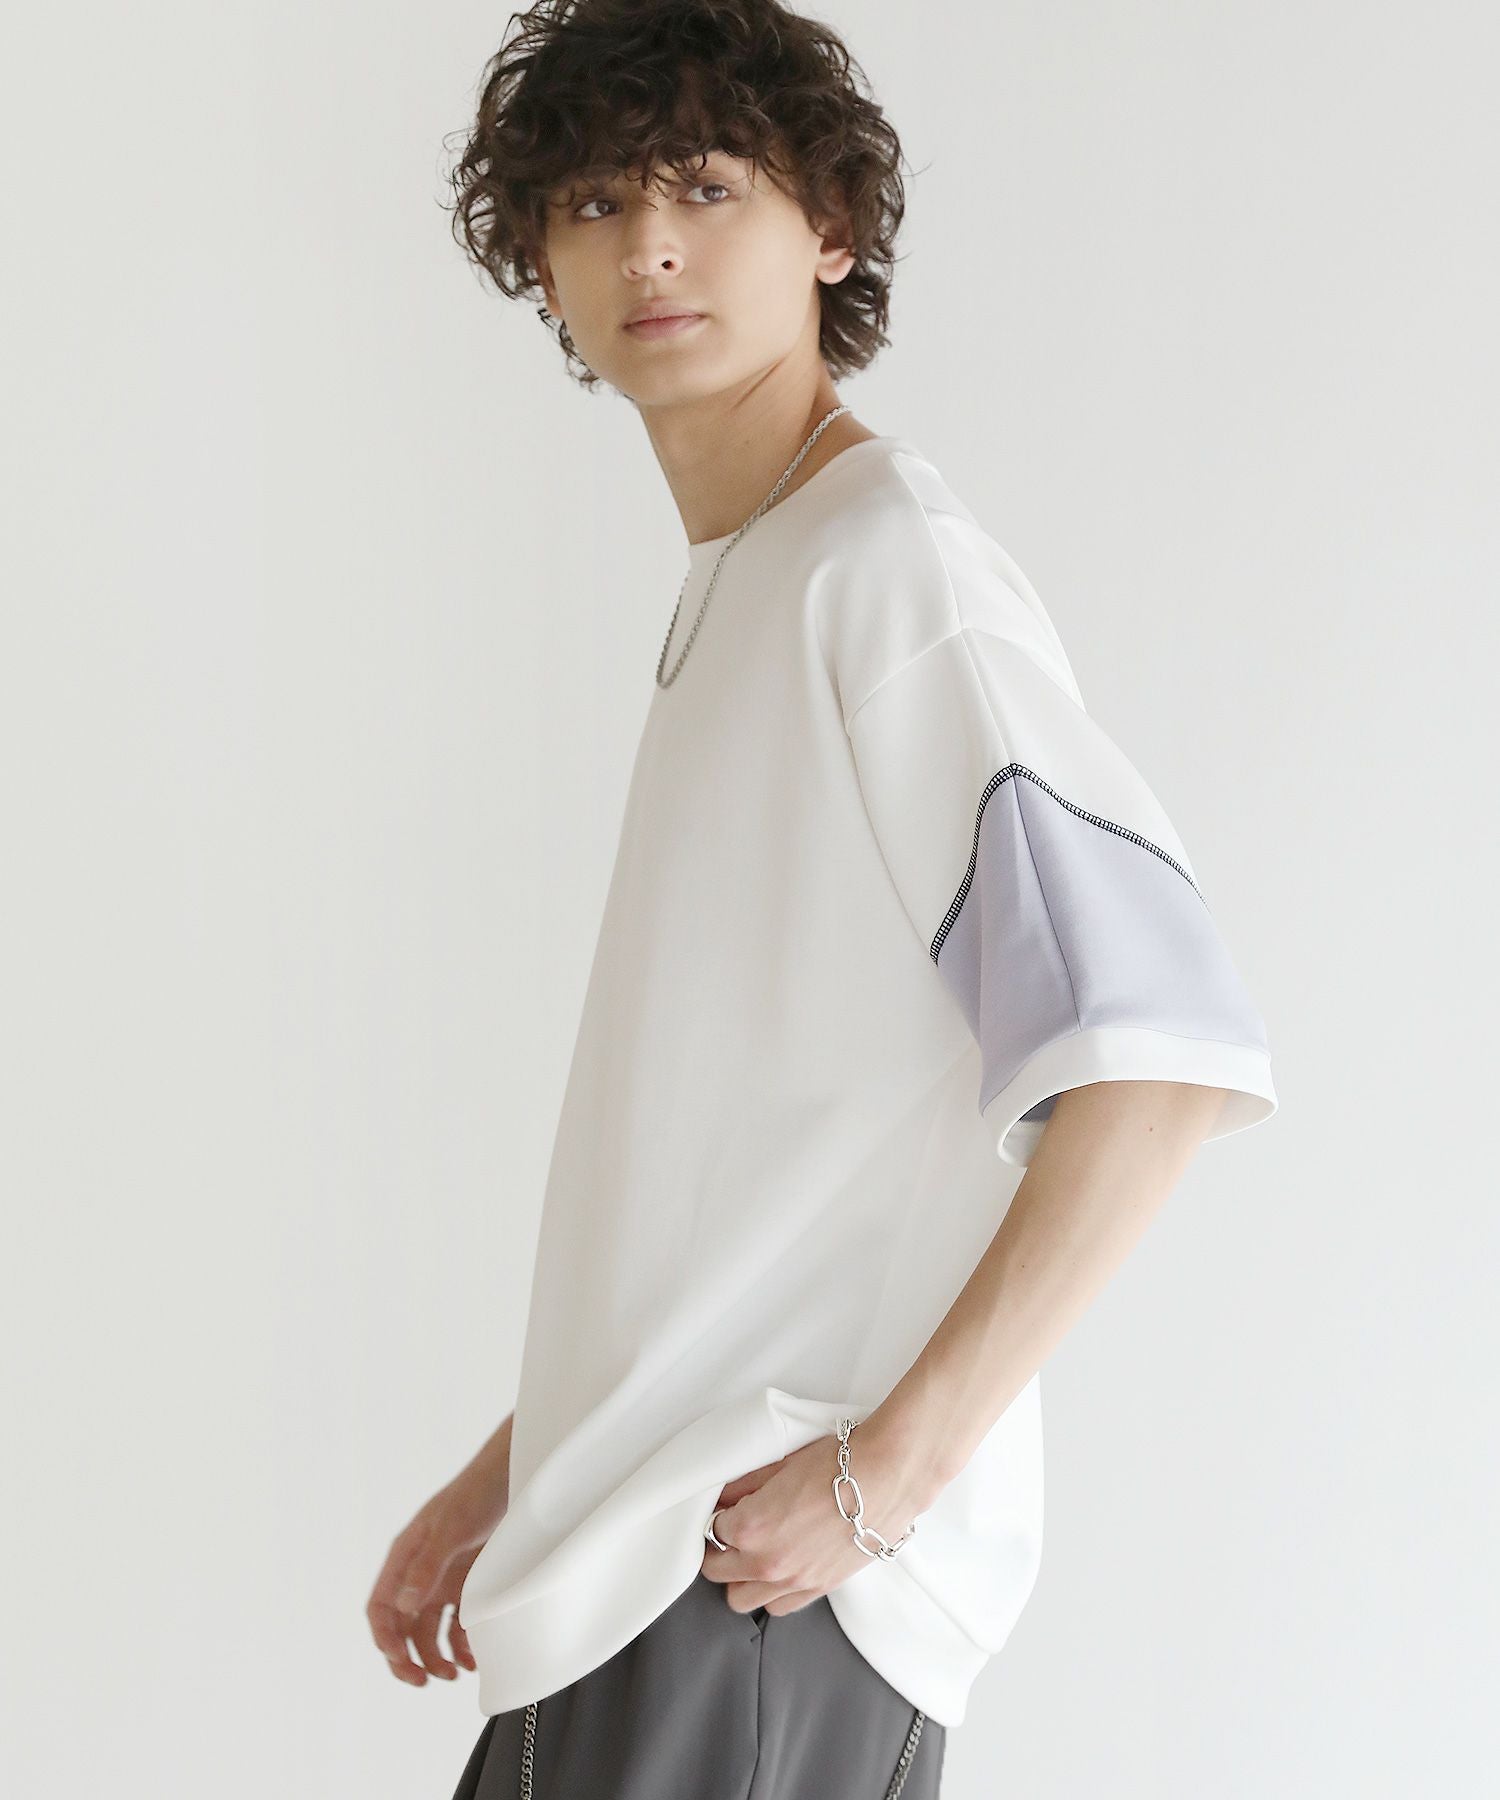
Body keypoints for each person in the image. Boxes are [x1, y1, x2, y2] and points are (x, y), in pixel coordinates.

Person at [366, 3, 1279, 1795]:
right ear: (540, 260)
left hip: (750, 1597)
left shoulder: (888, 573)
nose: (648, 246)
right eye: (594, 202)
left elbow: (1156, 1061)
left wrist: (885, 1480)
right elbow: (756, 1177)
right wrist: (512, 1469)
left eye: (706, 186)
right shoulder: (760, 575)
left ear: (832, 228)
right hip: (642, 1571)